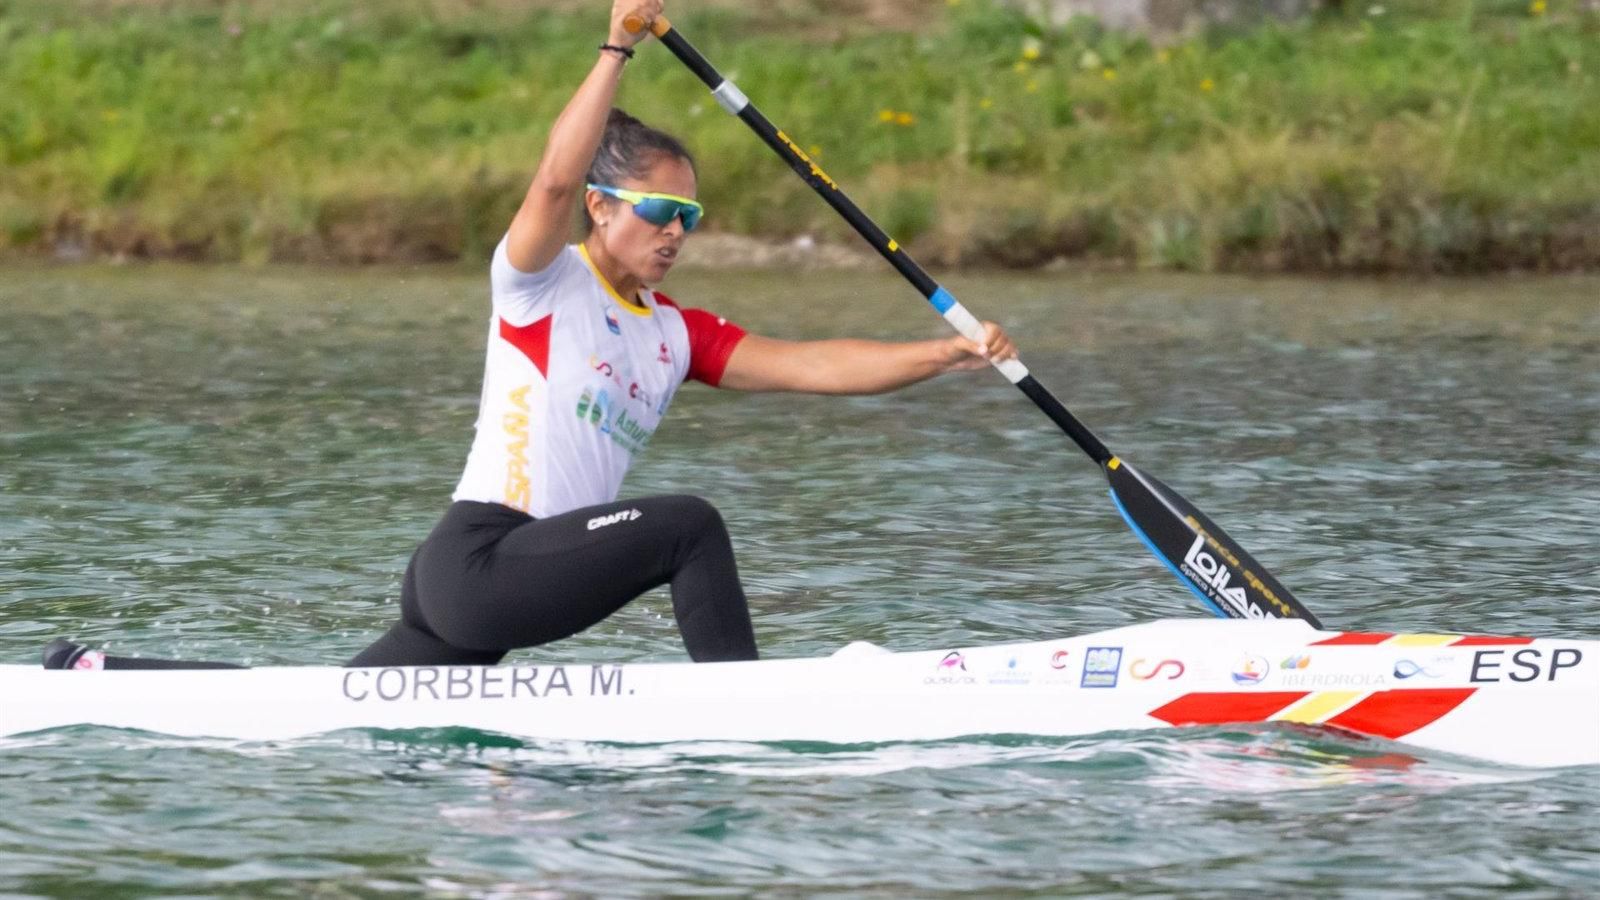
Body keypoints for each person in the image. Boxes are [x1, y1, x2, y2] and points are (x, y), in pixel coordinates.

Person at [343, 0, 1016, 668]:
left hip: (496, 579)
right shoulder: (541, 284)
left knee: (337, 718)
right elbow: (552, 183)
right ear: (600, 207)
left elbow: (814, 367)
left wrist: (946, 353)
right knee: (689, 528)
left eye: (688, 217)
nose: (675, 231)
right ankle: (740, 703)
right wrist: (616, 50)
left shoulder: (675, 333)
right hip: (481, 561)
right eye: (661, 211)